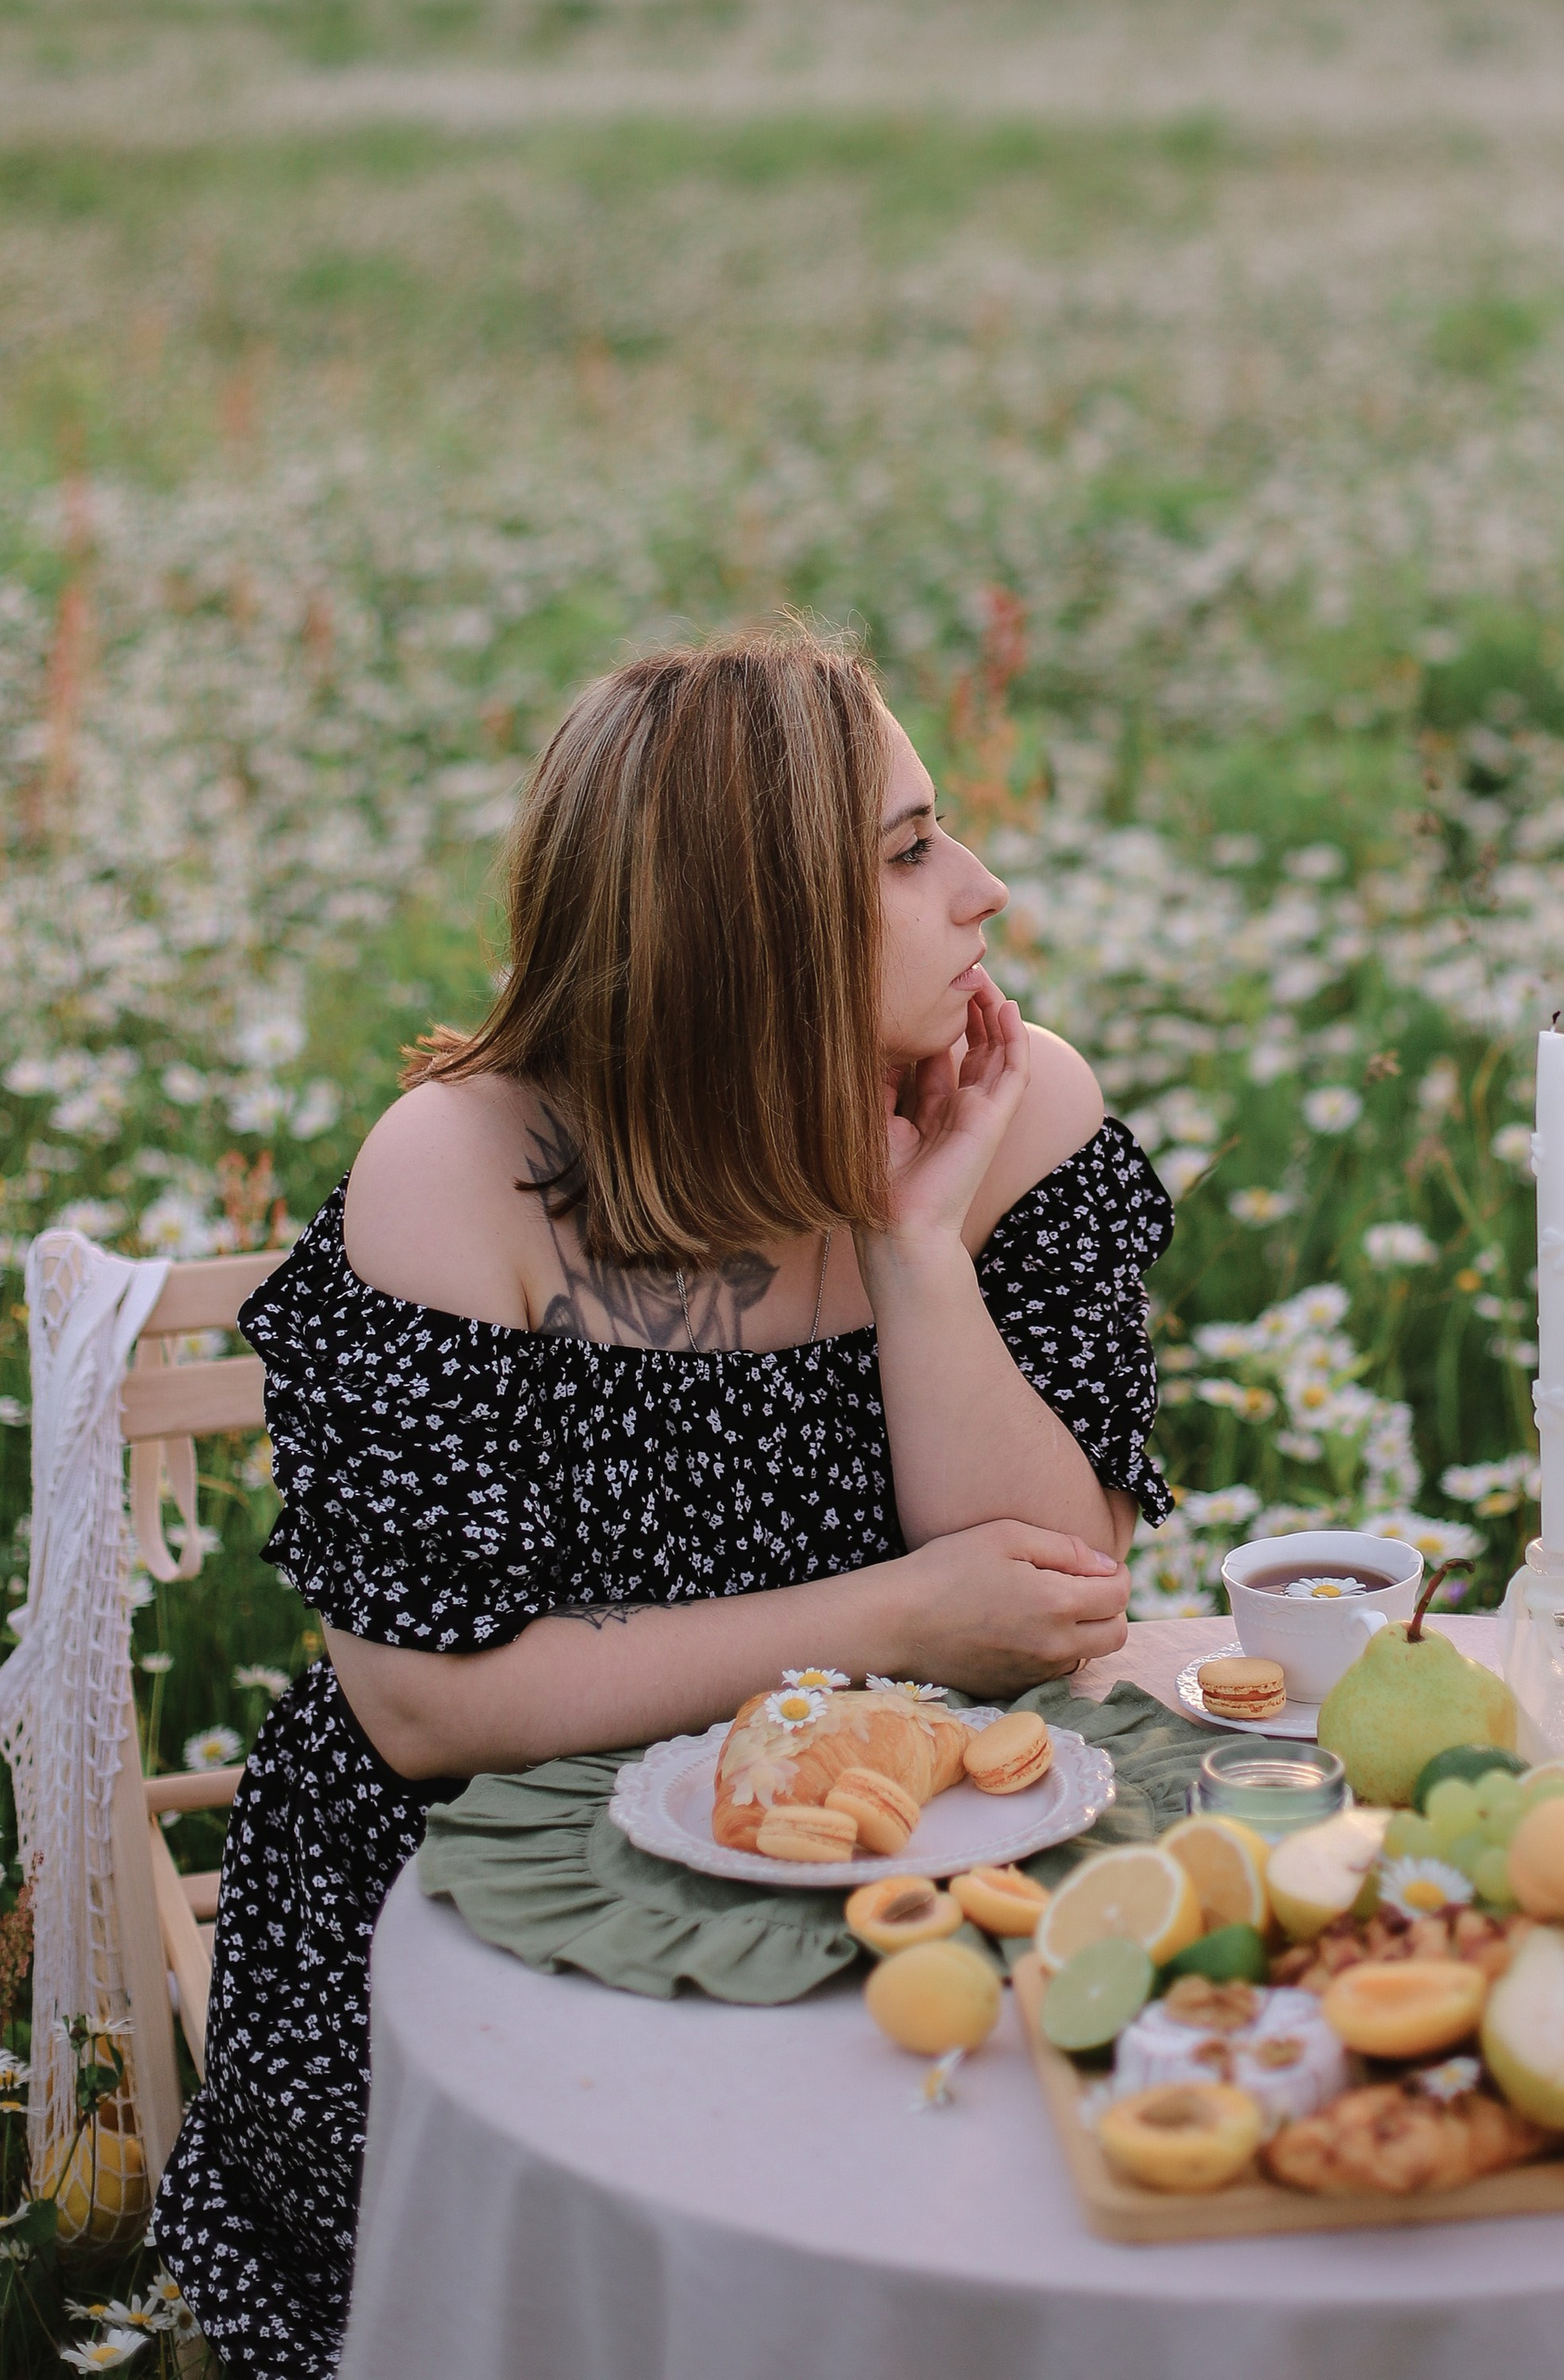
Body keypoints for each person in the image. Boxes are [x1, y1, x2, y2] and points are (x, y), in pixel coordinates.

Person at [151, 621, 1171, 2379]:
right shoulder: (470, 1171)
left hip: (894, 1866)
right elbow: (424, 1702)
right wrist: (887, 1621)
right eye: (912, 853)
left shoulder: (1011, 1104)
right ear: (746, 926)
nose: (986, 891)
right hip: (487, 1914)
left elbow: (1052, 1598)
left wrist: (916, 1250)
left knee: (1063, 2173)